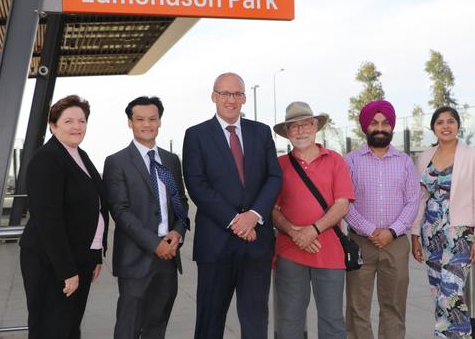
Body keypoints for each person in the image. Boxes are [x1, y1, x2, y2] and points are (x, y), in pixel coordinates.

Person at [182, 72, 282, 339]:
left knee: (255, 322)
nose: (231, 99)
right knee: (210, 321)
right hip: (215, 244)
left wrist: (254, 216)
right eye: (224, 93)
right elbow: (197, 185)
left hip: (256, 244)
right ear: (214, 97)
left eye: (237, 93)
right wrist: (236, 221)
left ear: (244, 98)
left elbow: (274, 177)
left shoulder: (261, 133)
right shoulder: (196, 135)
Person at [19, 95, 108, 339]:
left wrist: (96, 253)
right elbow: (49, 219)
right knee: (51, 328)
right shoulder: (47, 159)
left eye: (81, 121)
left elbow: (95, 206)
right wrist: (66, 270)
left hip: (80, 256)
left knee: (69, 328)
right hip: (51, 263)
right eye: (68, 121)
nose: (77, 126)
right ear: (53, 125)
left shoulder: (80, 155)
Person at [103, 96, 190, 339]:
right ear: (130, 123)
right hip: (136, 258)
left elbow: (180, 202)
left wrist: (177, 232)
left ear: (160, 121)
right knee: (128, 327)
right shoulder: (116, 162)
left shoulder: (171, 160)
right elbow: (120, 211)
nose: (147, 124)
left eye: (152, 119)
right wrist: (155, 244)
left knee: (157, 324)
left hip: (168, 257)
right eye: (140, 119)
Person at [271, 101, 355, 338]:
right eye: (294, 127)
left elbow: (342, 204)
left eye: (306, 124)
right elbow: (272, 209)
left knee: (332, 321)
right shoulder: (279, 166)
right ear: (287, 133)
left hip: (329, 253)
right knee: (289, 320)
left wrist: (312, 230)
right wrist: (294, 232)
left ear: (315, 126)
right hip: (290, 252)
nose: (300, 131)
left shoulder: (335, 160)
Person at [410, 106, 475, 339]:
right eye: (440, 122)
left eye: (451, 121)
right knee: (438, 293)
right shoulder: (425, 157)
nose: (446, 126)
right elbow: (420, 198)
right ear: (433, 128)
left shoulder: (473, 155)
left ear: (458, 126)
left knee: (451, 295)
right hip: (430, 232)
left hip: (460, 234)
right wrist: (415, 235)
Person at [343, 100, 421, 339]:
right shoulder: (351, 161)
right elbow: (344, 202)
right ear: (365, 127)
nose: (380, 127)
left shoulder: (405, 162)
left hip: (395, 244)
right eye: (374, 123)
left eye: (385, 123)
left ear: (391, 127)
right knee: (357, 308)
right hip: (359, 243)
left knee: (394, 306)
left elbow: (413, 201)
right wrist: (370, 230)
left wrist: (392, 231)